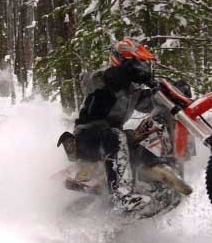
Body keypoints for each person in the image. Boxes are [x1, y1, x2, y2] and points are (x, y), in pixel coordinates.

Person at [58, 38, 187, 213]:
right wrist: (123, 73)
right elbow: (89, 82)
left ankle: (159, 183)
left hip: (112, 140)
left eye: (143, 64)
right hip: (87, 137)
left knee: (143, 134)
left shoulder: (132, 91)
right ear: (124, 61)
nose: (143, 68)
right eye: (139, 63)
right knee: (118, 135)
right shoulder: (101, 78)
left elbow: (151, 103)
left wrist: (174, 92)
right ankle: (121, 195)